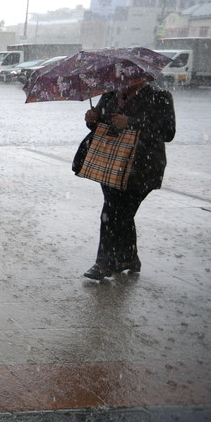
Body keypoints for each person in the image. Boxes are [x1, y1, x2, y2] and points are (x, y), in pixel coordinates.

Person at [81, 80, 175, 280]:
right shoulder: (109, 94)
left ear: (141, 77)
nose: (122, 82)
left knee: (114, 212)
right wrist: (92, 119)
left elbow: (168, 132)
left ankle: (104, 263)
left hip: (142, 167)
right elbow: (101, 126)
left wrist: (131, 122)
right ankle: (129, 258)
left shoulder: (159, 96)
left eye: (127, 78)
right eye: (119, 77)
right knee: (119, 212)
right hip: (111, 162)